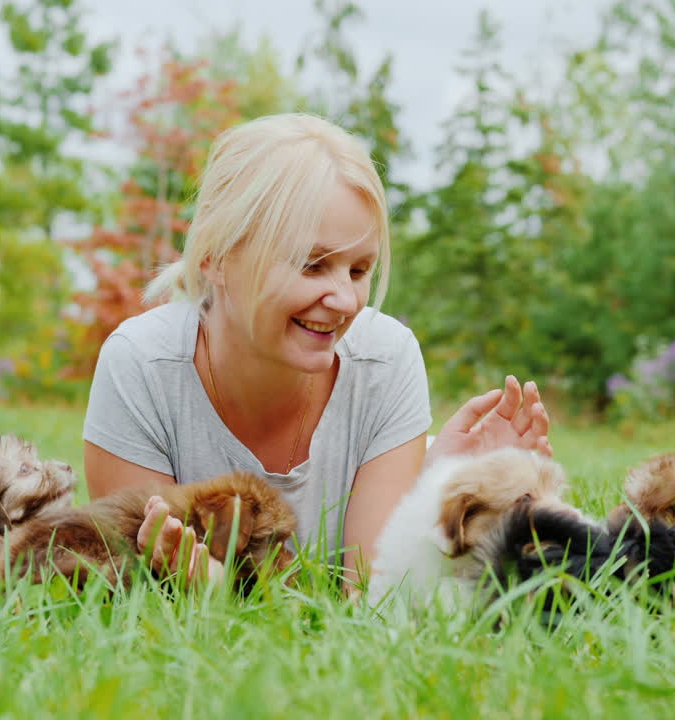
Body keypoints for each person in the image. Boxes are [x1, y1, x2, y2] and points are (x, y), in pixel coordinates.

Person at [82, 113, 551, 585]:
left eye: (358, 270)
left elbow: (368, 603)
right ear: (216, 256)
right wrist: (198, 587)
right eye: (312, 265)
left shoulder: (385, 360)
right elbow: (144, 604)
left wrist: (433, 490)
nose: (345, 301)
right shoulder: (141, 365)